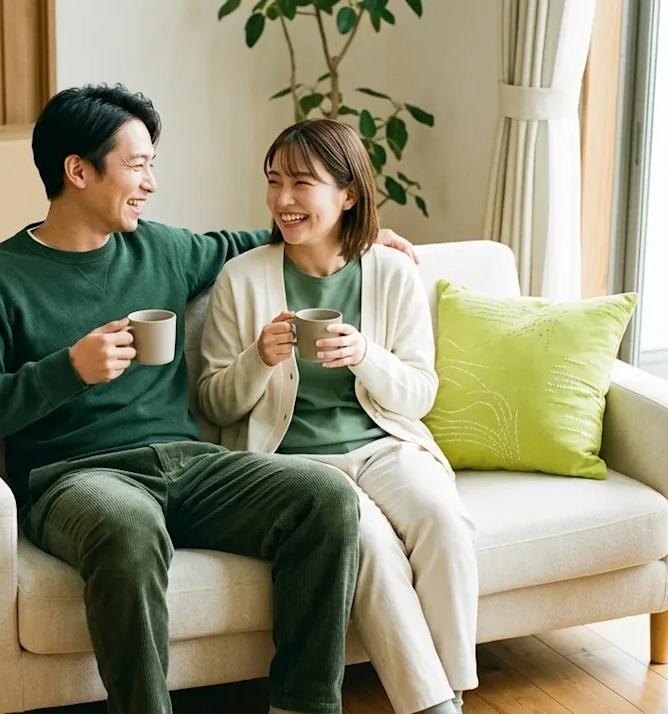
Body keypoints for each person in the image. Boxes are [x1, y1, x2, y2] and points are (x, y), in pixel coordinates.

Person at [0, 85, 419, 714]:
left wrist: (356, 230)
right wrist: (68, 370)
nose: (151, 183)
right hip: (76, 478)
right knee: (127, 524)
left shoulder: (162, 248)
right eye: (137, 165)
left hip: (189, 463)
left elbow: (256, 241)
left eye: (151, 165)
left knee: (325, 498)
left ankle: (303, 705)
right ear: (78, 171)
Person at [195, 118, 479, 714]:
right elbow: (214, 403)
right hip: (295, 465)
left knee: (443, 520)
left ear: (348, 194)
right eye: (274, 182)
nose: (283, 200)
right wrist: (259, 359)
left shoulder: (394, 273)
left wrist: (366, 356)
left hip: (384, 446)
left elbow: (419, 394)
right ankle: (432, 707)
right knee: (368, 539)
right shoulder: (241, 278)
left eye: (302, 183)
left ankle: (453, 688)